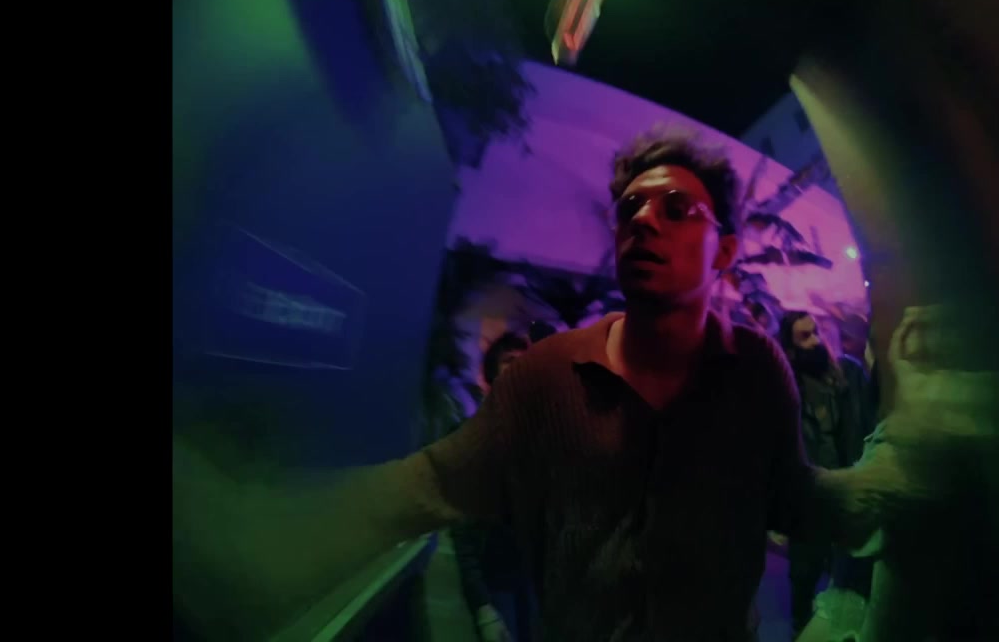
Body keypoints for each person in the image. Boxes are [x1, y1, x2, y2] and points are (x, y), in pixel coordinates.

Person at [172, 130, 925, 641]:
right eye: (629, 208)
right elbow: (428, 485)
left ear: (724, 252)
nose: (643, 221)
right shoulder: (543, 378)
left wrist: (897, 463)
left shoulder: (756, 370)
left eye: (675, 208)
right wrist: (259, 540)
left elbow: (796, 497)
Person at [778, 311, 875, 638]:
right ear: (791, 349)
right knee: (804, 575)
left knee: (846, 580)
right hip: (810, 498)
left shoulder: (848, 375)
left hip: (846, 490)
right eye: (805, 337)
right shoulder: (789, 389)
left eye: (816, 331)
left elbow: (867, 424)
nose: (816, 341)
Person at [453, 332, 536, 642]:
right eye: (510, 361)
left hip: (533, 585)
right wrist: (482, 606)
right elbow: (462, 531)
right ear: (492, 373)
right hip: (495, 586)